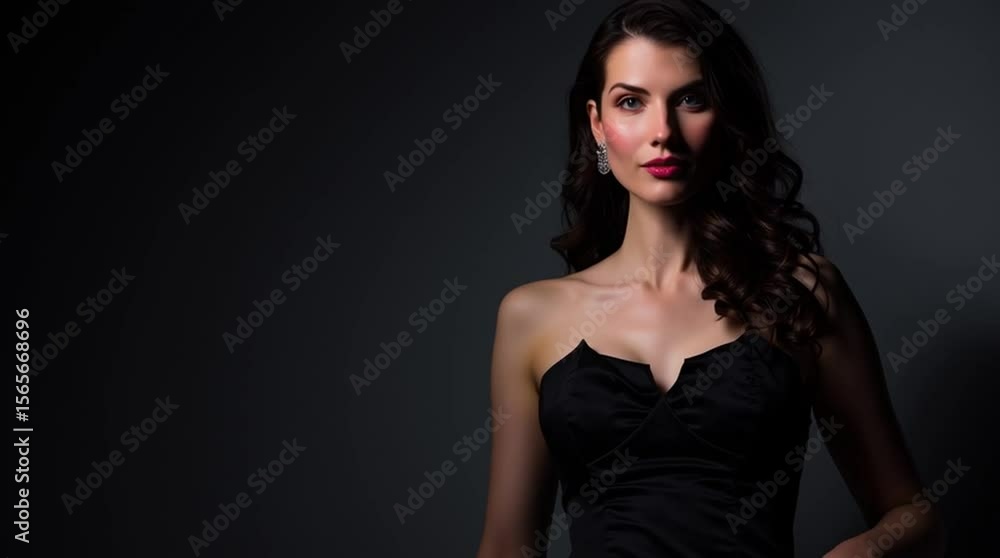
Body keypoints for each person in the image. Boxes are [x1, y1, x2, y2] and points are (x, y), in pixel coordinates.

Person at [475, 1, 947, 556]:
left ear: (727, 115)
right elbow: (507, 545)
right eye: (631, 103)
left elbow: (912, 514)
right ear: (598, 126)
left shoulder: (801, 292)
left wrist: (861, 553)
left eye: (691, 99)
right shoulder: (532, 316)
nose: (663, 132)